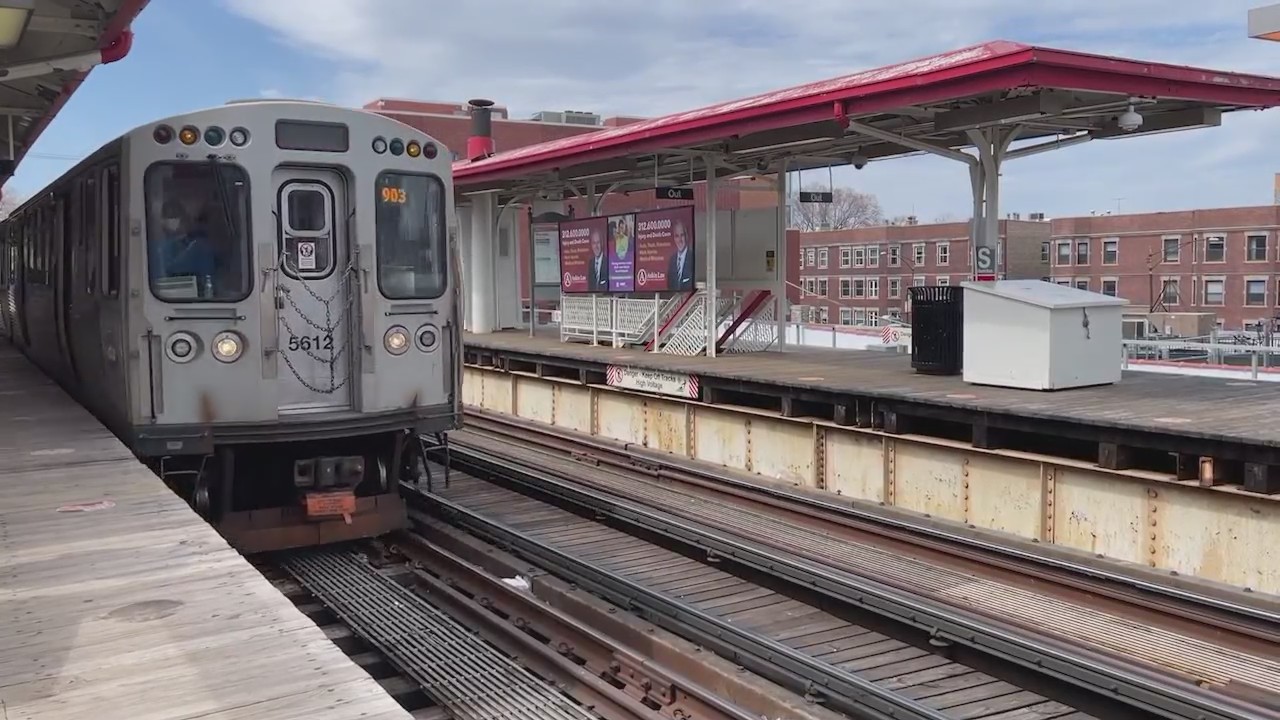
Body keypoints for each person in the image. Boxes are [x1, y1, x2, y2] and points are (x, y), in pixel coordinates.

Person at [150, 200, 216, 297]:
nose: (171, 220)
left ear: (183, 218)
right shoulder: (155, 248)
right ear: (161, 220)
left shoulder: (200, 247)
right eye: (168, 216)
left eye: (175, 215)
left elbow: (208, 280)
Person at [666, 219, 693, 290]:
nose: (680, 240)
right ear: (674, 238)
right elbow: (669, 285)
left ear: (687, 236)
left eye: (682, 235)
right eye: (677, 236)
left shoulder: (693, 257)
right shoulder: (672, 260)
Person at [586, 227, 609, 292]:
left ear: (602, 243)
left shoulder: (608, 262)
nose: (596, 246)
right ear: (591, 245)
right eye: (594, 243)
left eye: (598, 242)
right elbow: (590, 287)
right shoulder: (590, 263)